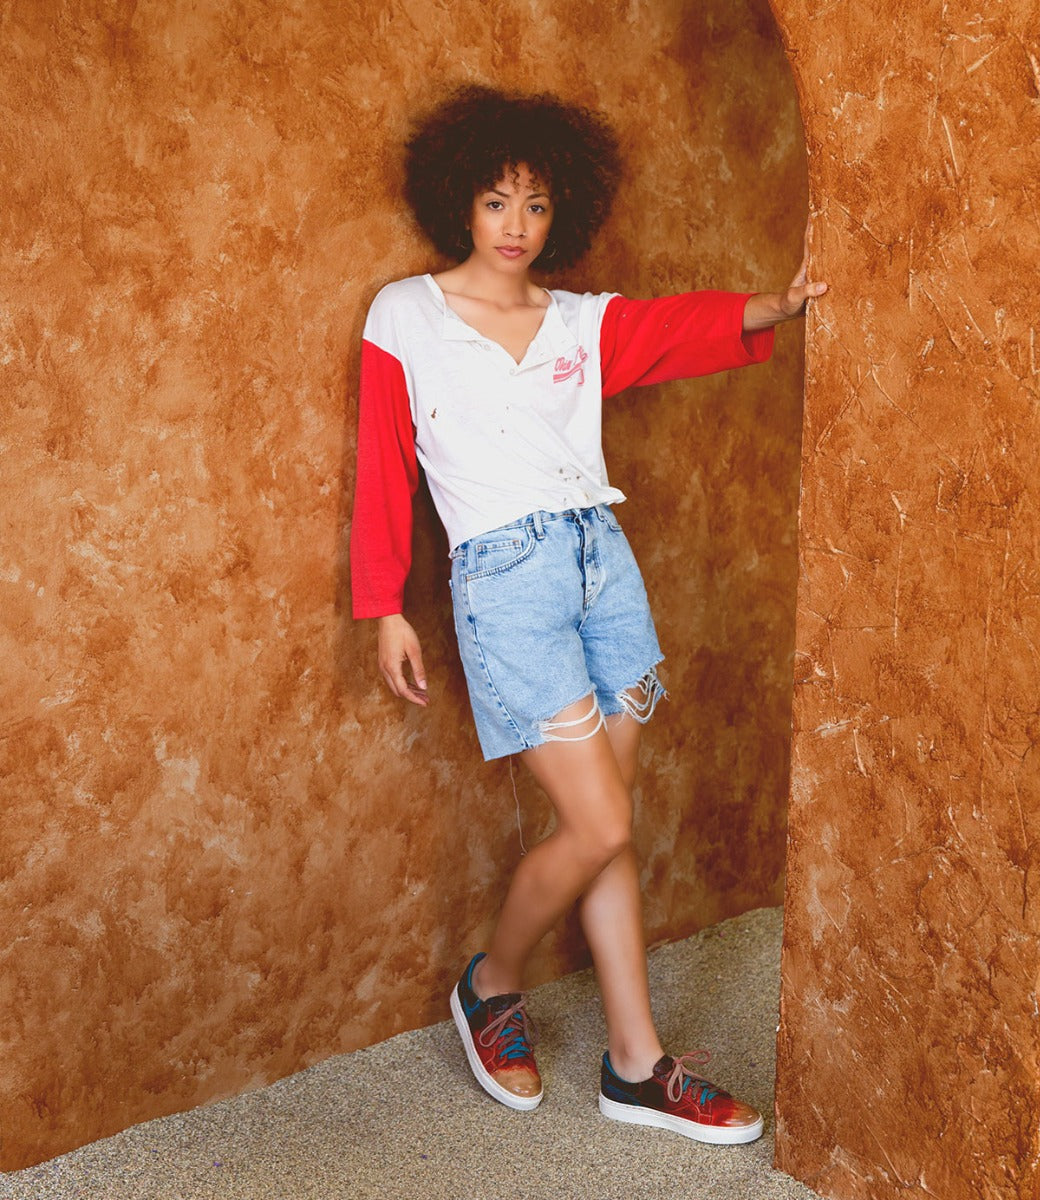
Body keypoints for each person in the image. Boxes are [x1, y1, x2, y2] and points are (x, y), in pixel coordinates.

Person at [351, 84, 827, 1145]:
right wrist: (384, 606)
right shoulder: (406, 316)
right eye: (495, 204)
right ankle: (491, 979)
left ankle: (634, 1063)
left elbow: (679, 327)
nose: (515, 228)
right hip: (504, 583)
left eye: (534, 207)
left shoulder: (575, 322)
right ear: (457, 205)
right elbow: (382, 471)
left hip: (600, 569)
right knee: (601, 822)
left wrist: (781, 304)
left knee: (601, 827)